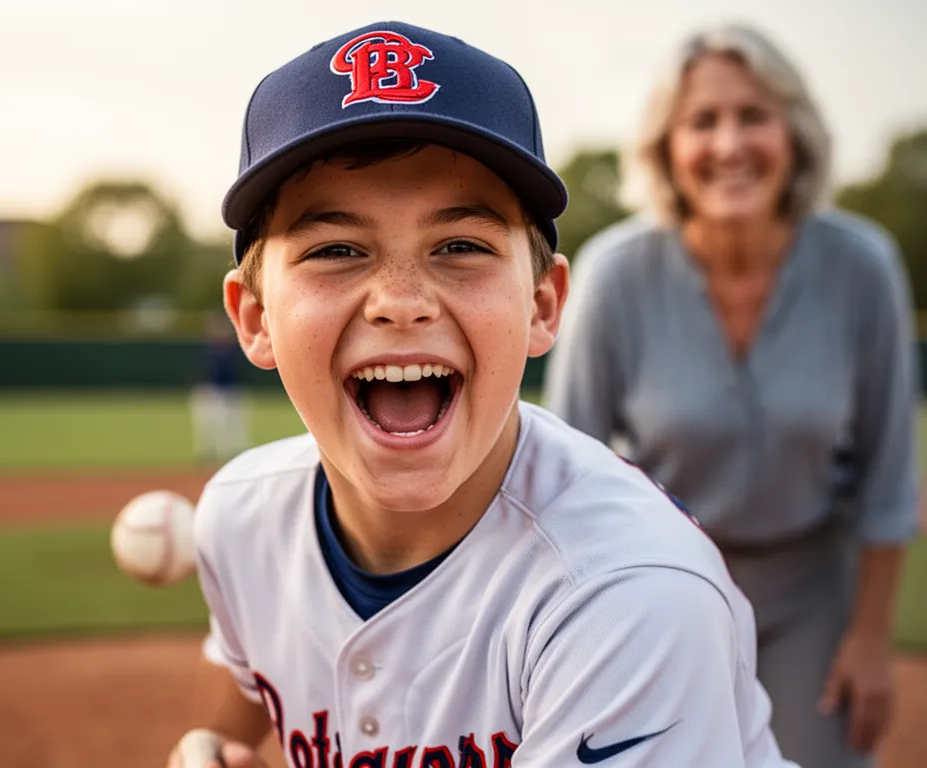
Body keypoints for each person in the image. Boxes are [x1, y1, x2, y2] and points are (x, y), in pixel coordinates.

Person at [169, 21, 799, 768]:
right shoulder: (241, 518)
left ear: (542, 305)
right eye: (336, 250)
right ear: (254, 317)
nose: (400, 302)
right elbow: (239, 708)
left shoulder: (628, 594)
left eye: (460, 246)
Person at [544, 23, 919, 768]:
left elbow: (888, 478)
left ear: (794, 132)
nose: (729, 143)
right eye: (701, 121)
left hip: (813, 587)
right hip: (664, 586)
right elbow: (564, 473)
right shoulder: (613, 275)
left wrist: (872, 638)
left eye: (754, 115)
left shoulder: (862, 266)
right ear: (666, 148)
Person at [189, 311, 251, 463]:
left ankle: (236, 453)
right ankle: (207, 452)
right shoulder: (210, 349)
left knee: (234, 425)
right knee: (208, 425)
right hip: (212, 391)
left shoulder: (234, 349)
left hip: (231, 390)